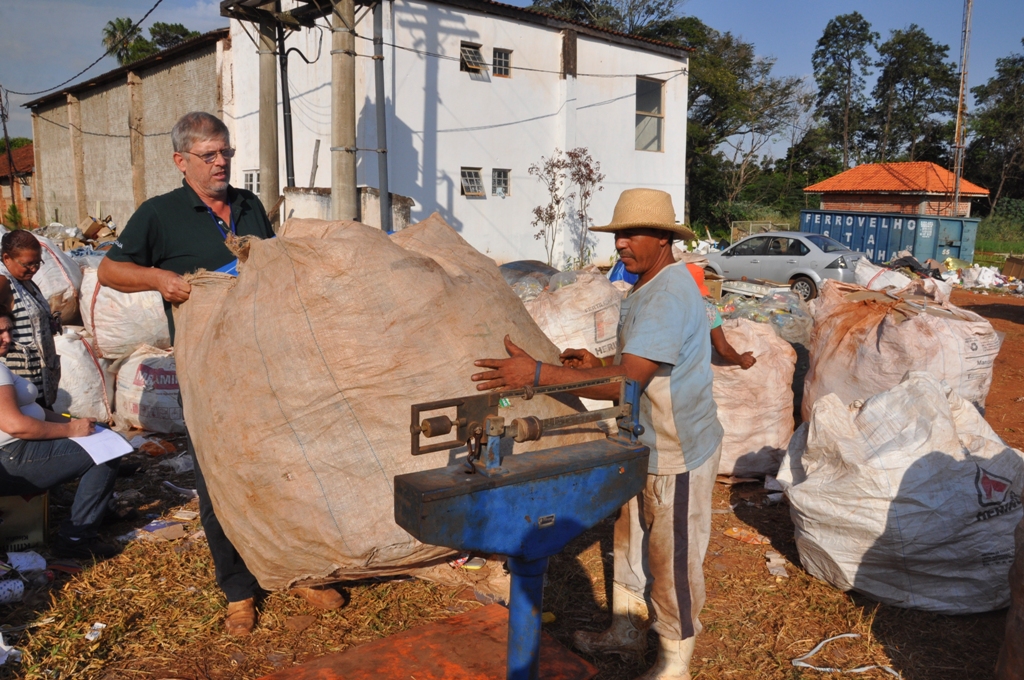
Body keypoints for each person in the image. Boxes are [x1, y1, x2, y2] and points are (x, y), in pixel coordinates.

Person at [97, 111, 344, 636]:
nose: (221, 163)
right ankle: (238, 590)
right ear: (181, 160)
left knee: (283, 469)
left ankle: (293, 569)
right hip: (209, 374)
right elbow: (109, 270)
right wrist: (158, 278)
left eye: (226, 153)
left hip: (267, 366)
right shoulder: (159, 214)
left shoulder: (249, 205)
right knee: (219, 481)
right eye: (209, 155)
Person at [472, 188, 723, 680]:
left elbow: (628, 381)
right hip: (640, 441)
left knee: (672, 556)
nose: (622, 244)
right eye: (619, 235)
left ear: (665, 239)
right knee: (630, 541)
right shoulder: (648, 286)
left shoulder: (670, 294)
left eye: (633, 234)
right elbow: (635, 367)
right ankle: (627, 629)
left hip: (677, 450)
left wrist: (539, 375)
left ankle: (675, 662)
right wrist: (595, 367)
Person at [0, 312, 120, 559]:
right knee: (107, 450)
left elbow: (29, 410)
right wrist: (69, 430)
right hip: (11, 456)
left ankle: (99, 511)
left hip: (16, 449)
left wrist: (72, 422)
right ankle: (76, 538)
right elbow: (15, 425)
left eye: (9, 330)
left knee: (103, 434)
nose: (7, 338)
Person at [0, 230, 61, 408]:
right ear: (7, 258)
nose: (34, 269)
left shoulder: (25, 281)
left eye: (37, 263)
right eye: (27, 264)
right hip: (18, 384)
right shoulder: (4, 282)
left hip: (37, 383)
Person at [684, 263, 755, 370]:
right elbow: (723, 349)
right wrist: (742, 360)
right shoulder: (708, 309)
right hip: (688, 370)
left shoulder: (663, 303)